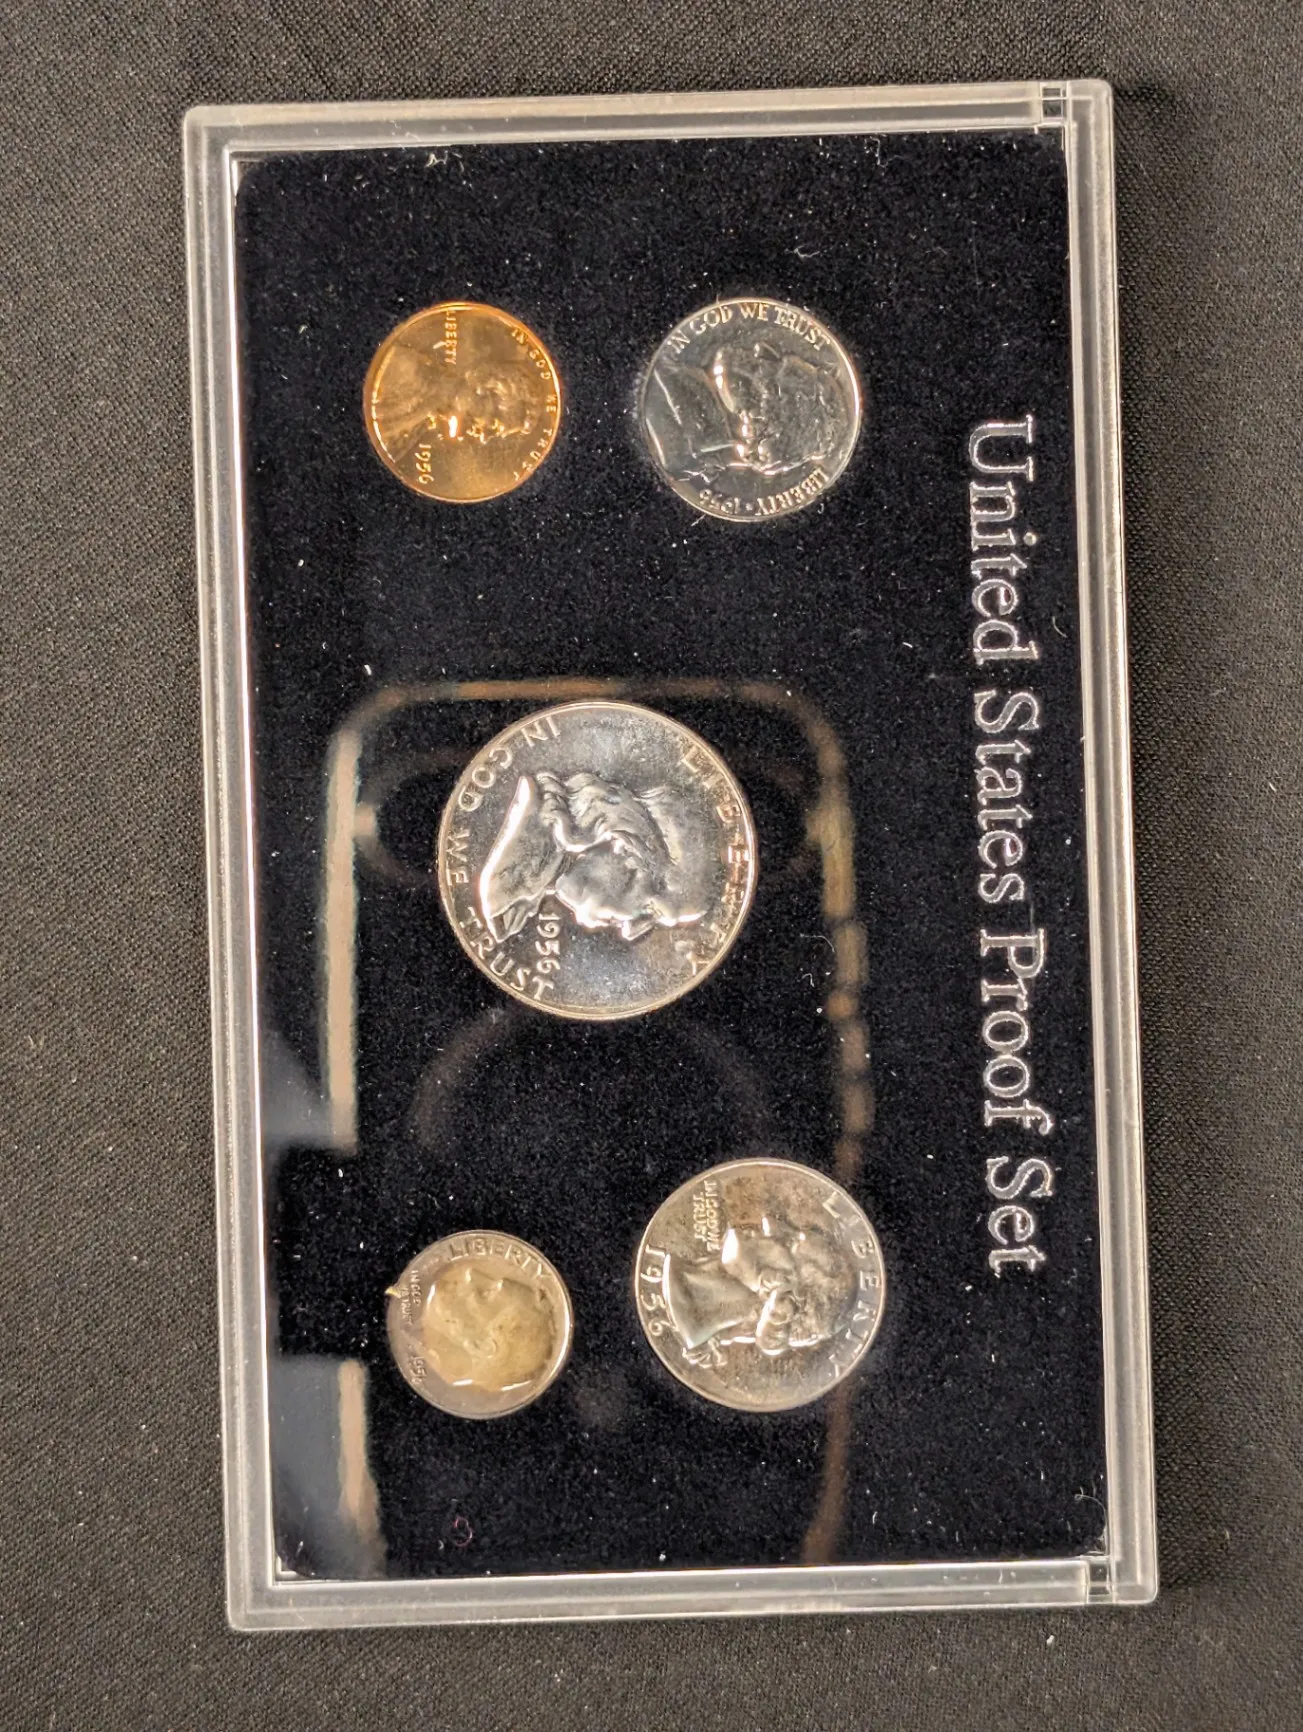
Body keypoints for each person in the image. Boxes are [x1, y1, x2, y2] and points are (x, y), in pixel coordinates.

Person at [480, 769, 707, 942]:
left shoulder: (518, 894)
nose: (630, 933)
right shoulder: (501, 891)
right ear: (624, 850)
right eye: (650, 910)